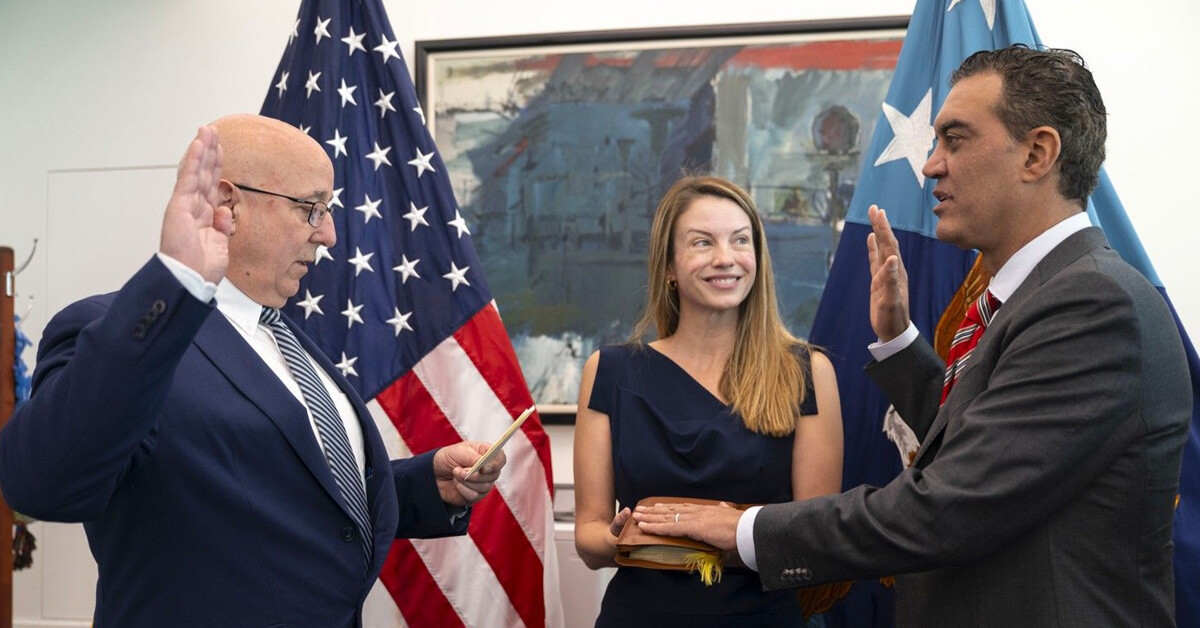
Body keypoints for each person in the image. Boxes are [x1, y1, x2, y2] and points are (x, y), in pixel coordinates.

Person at [634, 45, 1193, 627]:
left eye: (954, 139)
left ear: (1037, 153)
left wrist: (743, 527)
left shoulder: (1092, 304)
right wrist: (900, 340)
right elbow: (984, 444)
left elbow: (953, 504)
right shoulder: (1037, 295)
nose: (930, 165)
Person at [0, 115, 506, 628]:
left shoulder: (291, 338)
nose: (328, 234)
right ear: (229, 203)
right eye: (312, 209)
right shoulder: (120, 331)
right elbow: (40, 482)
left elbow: (281, 492)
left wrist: (425, 484)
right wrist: (173, 283)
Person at [573, 175, 844, 626]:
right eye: (702, 243)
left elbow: (815, 541)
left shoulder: (807, 371)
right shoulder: (609, 371)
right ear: (669, 267)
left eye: (740, 240)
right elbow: (588, 537)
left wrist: (721, 534)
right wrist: (621, 538)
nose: (726, 259)